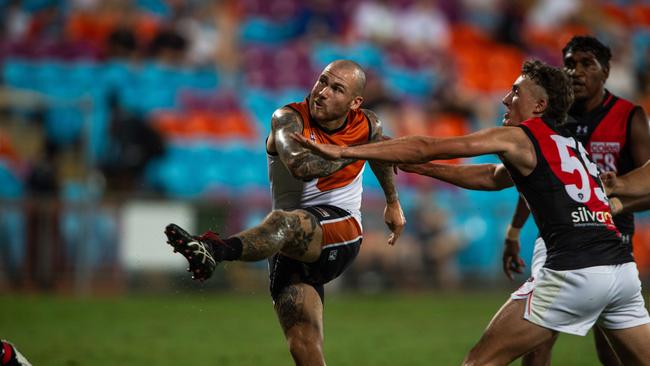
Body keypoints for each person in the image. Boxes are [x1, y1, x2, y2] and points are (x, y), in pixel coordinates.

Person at [294, 60, 650, 365]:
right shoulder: (570, 145)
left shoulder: (520, 136)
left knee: (479, 361)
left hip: (576, 271)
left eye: (515, 92)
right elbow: (492, 177)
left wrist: (345, 153)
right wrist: (426, 169)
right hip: (621, 272)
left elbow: (429, 145)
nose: (505, 98)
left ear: (539, 105)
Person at [164, 60, 405, 366]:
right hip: (287, 244)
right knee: (302, 345)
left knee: (283, 221)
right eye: (322, 81)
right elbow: (300, 166)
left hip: (339, 229)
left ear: (355, 102)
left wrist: (393, 202)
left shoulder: (369, 124)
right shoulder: (287, 118)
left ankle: (215, 249)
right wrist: (353, 151)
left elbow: (380, 158)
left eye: (336, 89)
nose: (322, 92)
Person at [502, 35, 650, 366]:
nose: (576, 71)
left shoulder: (629, 118)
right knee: (537, 340)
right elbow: (532, 179)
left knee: (611, 350)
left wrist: (619, 201)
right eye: (570, 63)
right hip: (560, 241)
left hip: (612, 240)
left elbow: (648, 188)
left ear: (606, 71)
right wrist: (514, 231)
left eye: (587, 64)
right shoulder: (552, 119)